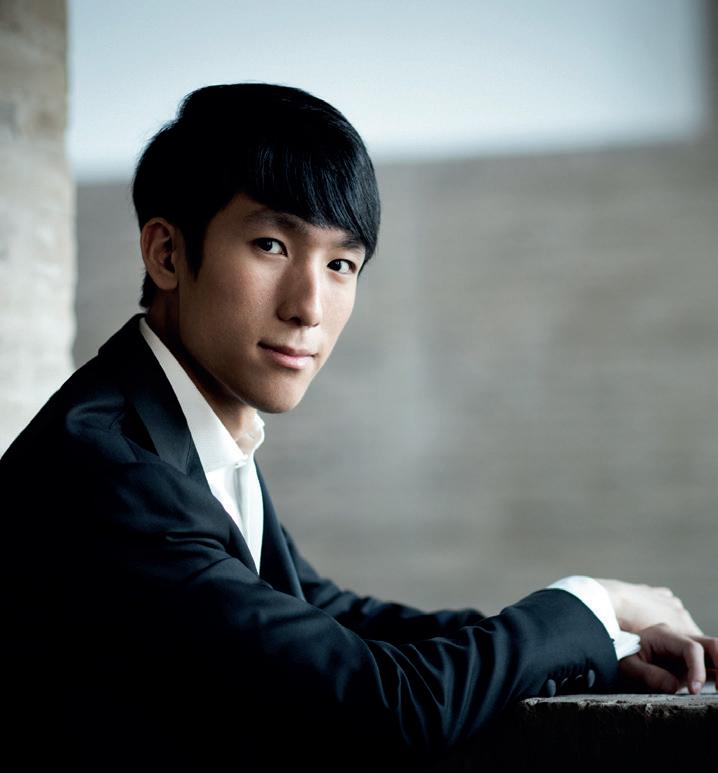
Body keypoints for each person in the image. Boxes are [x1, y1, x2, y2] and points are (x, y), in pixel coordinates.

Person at [1, 83, 715, 771]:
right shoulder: (108, 469)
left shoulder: (187, 425)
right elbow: (386, 706)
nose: (309, 306)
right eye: (272, 246)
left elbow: (327, 615)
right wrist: (595, 602)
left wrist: (596, 645)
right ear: (167, 253)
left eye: (341, 263)